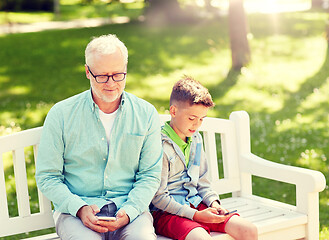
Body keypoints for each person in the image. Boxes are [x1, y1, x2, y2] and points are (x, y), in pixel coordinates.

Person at [35, 34, 163, 240]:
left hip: (129, 211)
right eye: (102, 76)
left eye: (118, 75)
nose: (111, 83)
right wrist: (80, 208)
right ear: (87, 72)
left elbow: (150, 175)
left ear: (126, 70)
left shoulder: (146, 113)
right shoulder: (61, 115)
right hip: (75, 214)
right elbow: (47, 177)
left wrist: (130, 210)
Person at [151, 76, 258, 240]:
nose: (196, 125)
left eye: (201, 119)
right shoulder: (159, 145)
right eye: (192, 118)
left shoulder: (196, 139)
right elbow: (158, 197)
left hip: (197, 204)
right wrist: (196, 216)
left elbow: (202, 182)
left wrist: (214, 203)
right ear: (173, 111)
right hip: (167, 213)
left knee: (248, 230)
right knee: (201, 238)